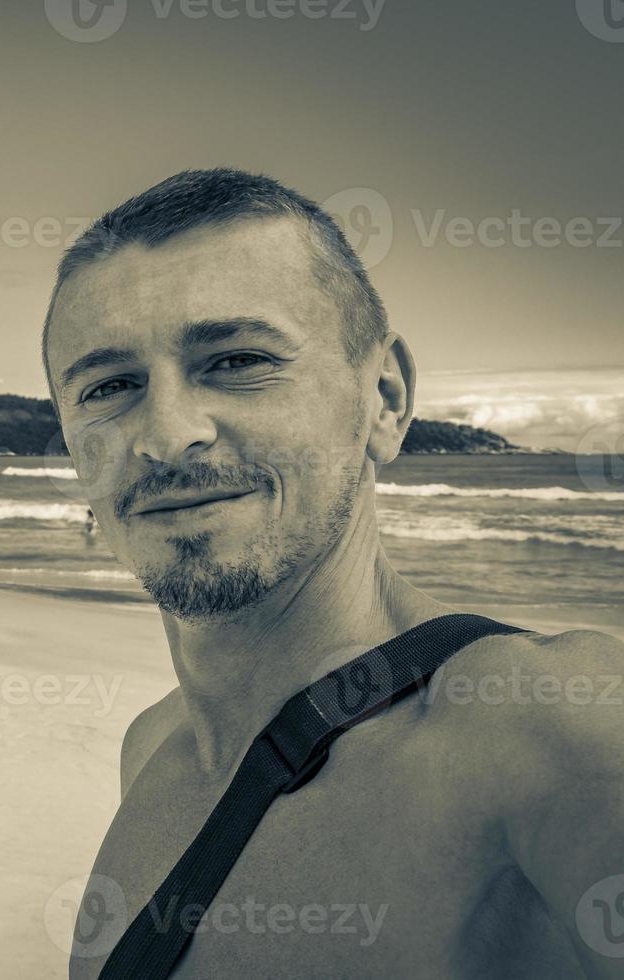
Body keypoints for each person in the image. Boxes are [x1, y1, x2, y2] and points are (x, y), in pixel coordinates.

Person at [40, 168, 624, 978]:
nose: (168, 435)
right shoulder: (152, 751)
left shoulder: (553, 725)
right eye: (109, 387)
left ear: (384, 398)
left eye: (238, 359)